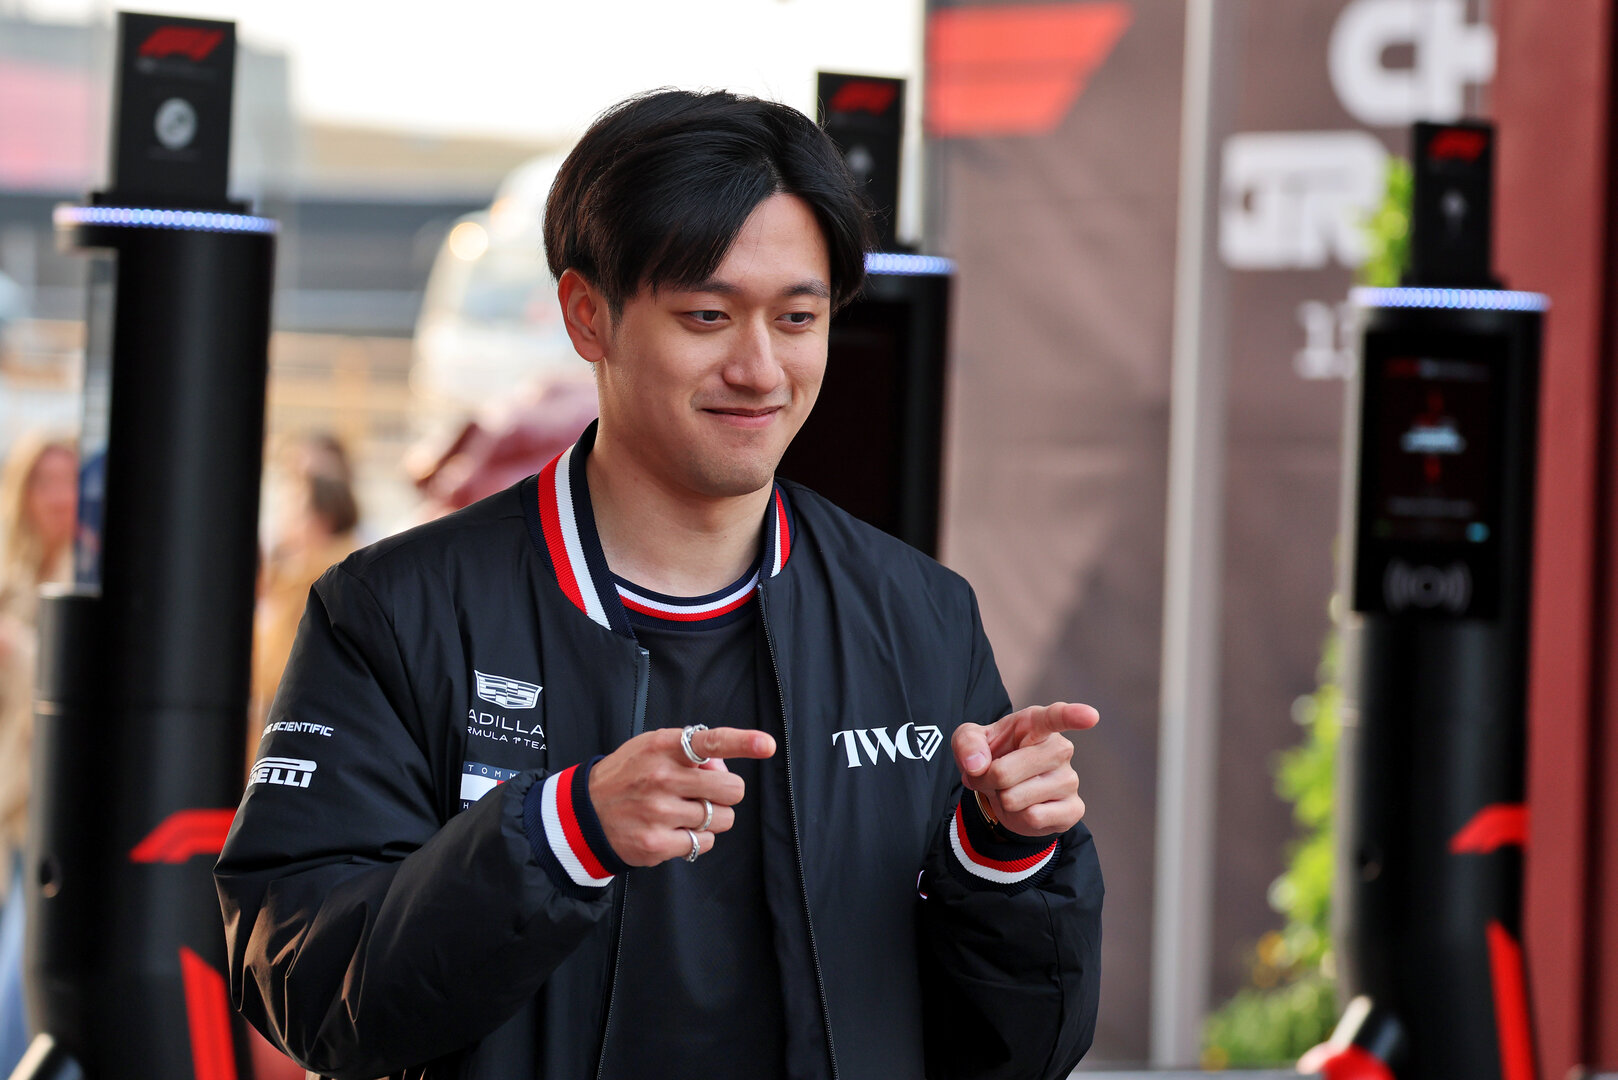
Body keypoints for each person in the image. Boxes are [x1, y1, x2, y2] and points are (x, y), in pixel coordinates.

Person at [216, 89, 1104, 1080]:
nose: (760, 367)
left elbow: (1022, 1050)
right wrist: (560, 834)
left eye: (798, 318)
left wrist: (1005, 860)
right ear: (587, 314)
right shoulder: (393, 611)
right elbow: (297, 979)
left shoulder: (919, 613)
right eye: (707, 315)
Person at [0, 433, 77, 1074]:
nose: (58, 497)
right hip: (10, 811)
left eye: (69, 480)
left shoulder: (87, 577)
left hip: (44, 815)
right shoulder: (9, 581)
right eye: (43, 481)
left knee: (17, 995)